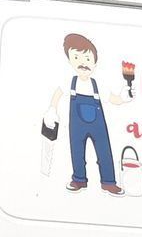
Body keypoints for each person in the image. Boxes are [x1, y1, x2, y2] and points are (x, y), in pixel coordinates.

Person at [45, 33, 128, 194]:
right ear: (70, 60)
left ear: (95, 63)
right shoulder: (70, 83)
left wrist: (124, 97)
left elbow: (114, 99)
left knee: (104, 150)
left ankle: (109, 182)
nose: (83, 63)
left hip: (98, 124)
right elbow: (58, 94)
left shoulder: (98, 86)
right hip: (77, 125)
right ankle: (79, 180)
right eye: (77, 58)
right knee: (77, 150)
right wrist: (52, 109)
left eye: (88, 59)